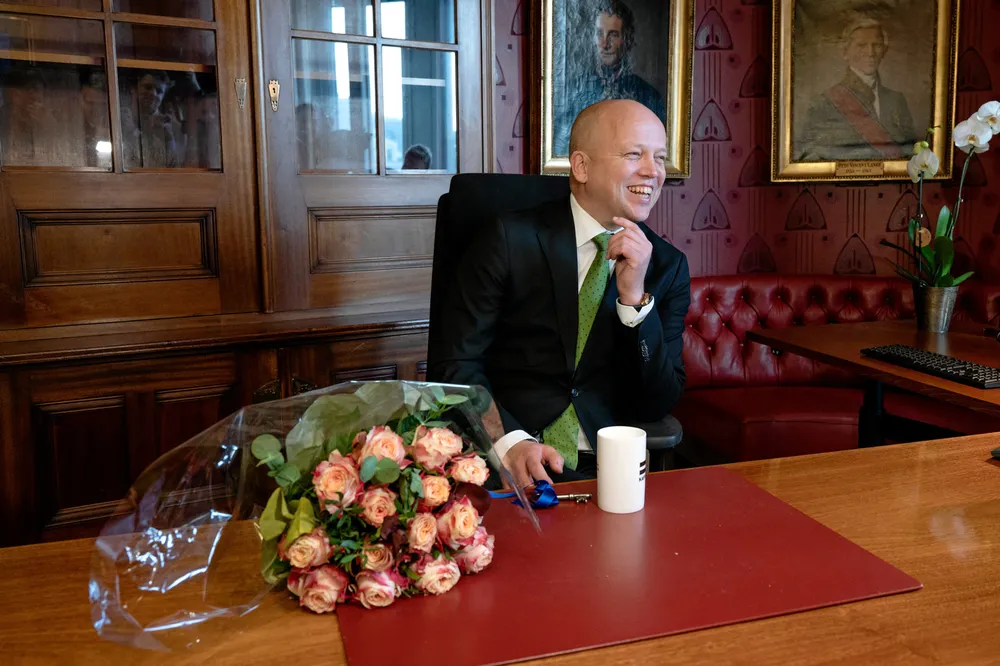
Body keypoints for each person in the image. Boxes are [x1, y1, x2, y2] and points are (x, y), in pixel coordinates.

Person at [430, 99, 691, 489]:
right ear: (582, 166)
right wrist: (510, 443)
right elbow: (455, 365)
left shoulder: (667, 266)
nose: (654, 172)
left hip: (604, 469)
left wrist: (634, 303)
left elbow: (657, 402)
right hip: (501, 456)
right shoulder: (508, 239)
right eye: (634, 154)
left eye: (660, 157)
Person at [796, 17, 918, 161]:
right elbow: (807, 158)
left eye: (877, 45)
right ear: (845, 52)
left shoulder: (896, 100)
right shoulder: (823, 104)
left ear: (884, 51)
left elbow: (912, 155)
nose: (870, 52)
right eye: (861, 45)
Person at [554, 0, 666, 155]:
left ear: (627, 40)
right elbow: (560, 146)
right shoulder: (572, 92)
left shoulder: (649, 96)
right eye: (600, 34)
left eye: (613, 35)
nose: (604, 43)